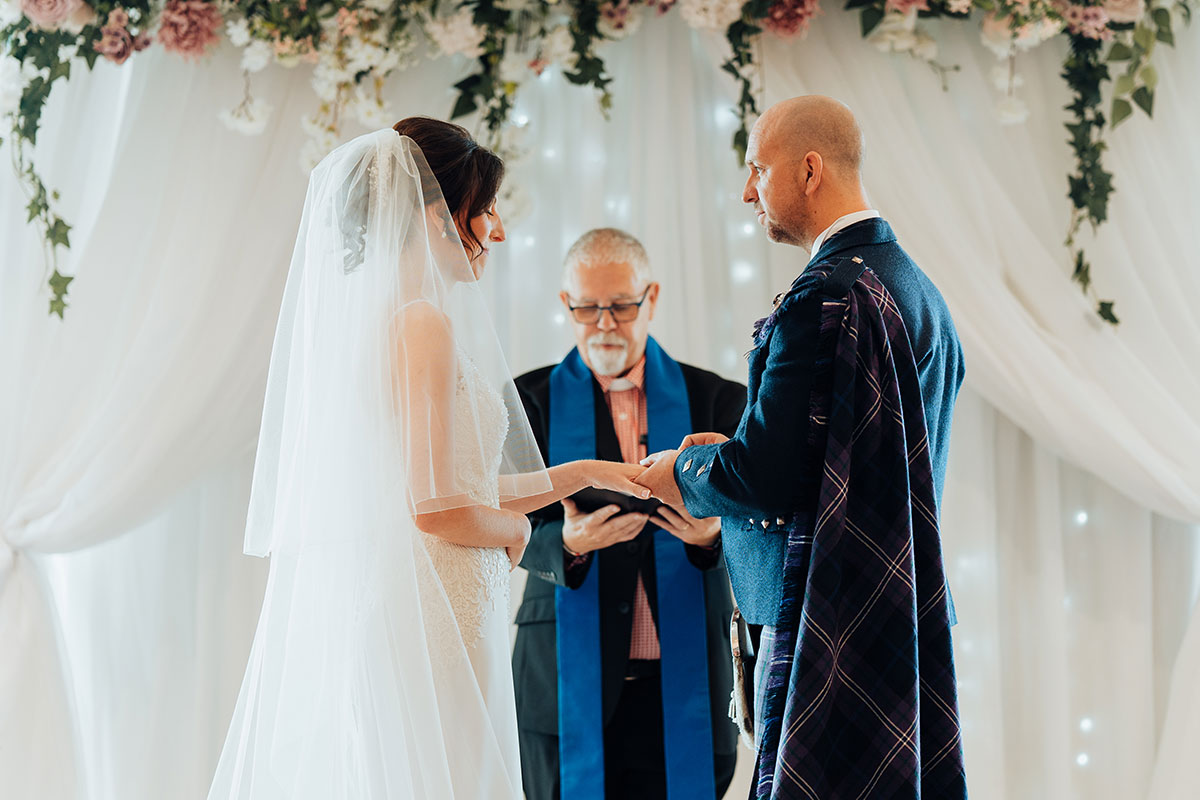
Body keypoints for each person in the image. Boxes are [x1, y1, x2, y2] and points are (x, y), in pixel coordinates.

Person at [207, 121, 647, 800]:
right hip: (431, 610)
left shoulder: (392, 315)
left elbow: (460, 484)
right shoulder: (421, 322)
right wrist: (522, 533)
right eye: (488, 210)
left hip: (425, 600)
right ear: (439, 216)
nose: (497, 232)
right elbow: (438, 508)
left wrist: (583, 473)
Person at [636, 96, 968, 798]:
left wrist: (684, 468)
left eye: (758, 167)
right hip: (889, 612)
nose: (747, 190)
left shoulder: (828, 295)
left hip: (825, 622)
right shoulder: (918, 288)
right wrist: (740, 446)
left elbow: (768, 475)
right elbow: (836, 458)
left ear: (810, 169)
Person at [512, 229, 744, 800]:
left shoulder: (720, 400)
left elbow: (768, 533)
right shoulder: (526, 404)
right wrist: (563, 542)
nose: (606, 324)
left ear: (652, 297)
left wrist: (715, 536)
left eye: (621, 305)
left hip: (685, 688)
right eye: (588, 308)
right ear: (566, 304)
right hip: (565, 688)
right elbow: (501, 527)